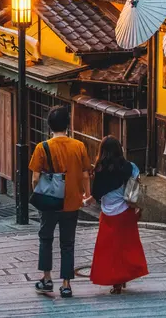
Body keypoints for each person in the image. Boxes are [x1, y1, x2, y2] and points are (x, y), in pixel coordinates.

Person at [29, 105, 91, 299]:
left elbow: (35, 178)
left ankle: (47, 279)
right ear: (67, 124)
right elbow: (85, 174)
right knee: (68, 243)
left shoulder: (42, 147)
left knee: (46, 239)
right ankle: (66, 284)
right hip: (72, 202)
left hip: (50, 203)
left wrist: (40, 194)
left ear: (49, 126)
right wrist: (86, 195)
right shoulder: (78, 146)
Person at [85, 135, 148, 294]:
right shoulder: (130, 167)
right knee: (127, 247)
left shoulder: (100, 169)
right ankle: (124, 277)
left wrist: (84, 201)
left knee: (109, 250)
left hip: (108, 214)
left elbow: (97, 194)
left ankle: (117, 283)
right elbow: (136, 184)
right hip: (126, 211)